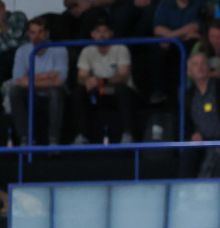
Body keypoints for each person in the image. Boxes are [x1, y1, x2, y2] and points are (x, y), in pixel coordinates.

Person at [72, 16, 135, 144]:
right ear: (92, 34)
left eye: (105, 31)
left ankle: (127, 134)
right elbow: (81, 77)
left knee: (122, 90)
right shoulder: (87, 50)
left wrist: (101, 81)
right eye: (98, 31)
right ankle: (82, 135)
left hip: (117, 91)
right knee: (78, 92)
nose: (101, 35)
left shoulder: (121, 48)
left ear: (111, 33)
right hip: (98, 92)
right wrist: (88, 81)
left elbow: (123, 76)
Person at [8, 15, 68, 145]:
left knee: (56, 91)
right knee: (14, 91)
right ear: (28, 34)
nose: (37, 36)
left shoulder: (59, 49)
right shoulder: (22, 51)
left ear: (47, 33)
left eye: (40, 32)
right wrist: (47, 76)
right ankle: (26, 139)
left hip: (51, 91)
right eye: (33, 32)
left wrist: (30, 78)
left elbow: (60, 81)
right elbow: (18, 80)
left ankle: (53, 140)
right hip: (31, 93)